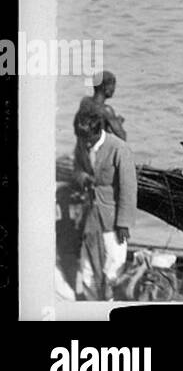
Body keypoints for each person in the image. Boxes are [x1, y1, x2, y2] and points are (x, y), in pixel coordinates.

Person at [71, 106, 137, 300]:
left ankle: (109, 302)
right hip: (90, 215)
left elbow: (128, 188)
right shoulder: (82, 142)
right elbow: (76, 169)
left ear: (99, 131)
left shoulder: (119, 148)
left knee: (114, 263)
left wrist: (124, 223)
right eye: (82, 139)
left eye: (89, 139)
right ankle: (93, 302)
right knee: (87, 266)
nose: (86, 144)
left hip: (112, 217)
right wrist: (84, 178)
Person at [77, 72, 127, 141]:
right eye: (113, 85)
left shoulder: (85, 101)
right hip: (97, 149)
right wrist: (118, 122)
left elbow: (93, 126)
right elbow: (122, 137)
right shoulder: (106, 110)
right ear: (104, 87)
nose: (114, 89)